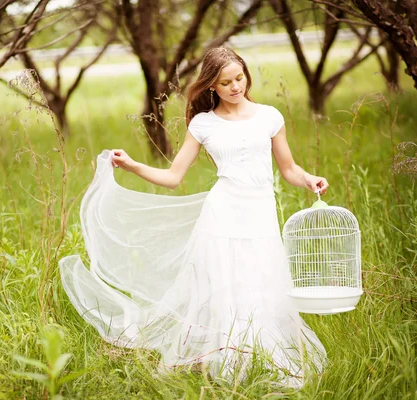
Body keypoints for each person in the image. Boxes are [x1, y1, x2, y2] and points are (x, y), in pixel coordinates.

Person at [59, 47, 328, 388]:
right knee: (223, 286)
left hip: (260, 213)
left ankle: (258, 350)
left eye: (239, 78)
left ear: (246, 74)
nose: (235, 87)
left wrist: (308, 179)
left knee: (260, 280)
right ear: (211, 86)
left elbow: (288, 169)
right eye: (225, 82)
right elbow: (173, 177)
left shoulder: (270, 116)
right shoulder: (203, 123)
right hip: (222, 214)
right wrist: (131, 165)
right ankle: (224, 355)